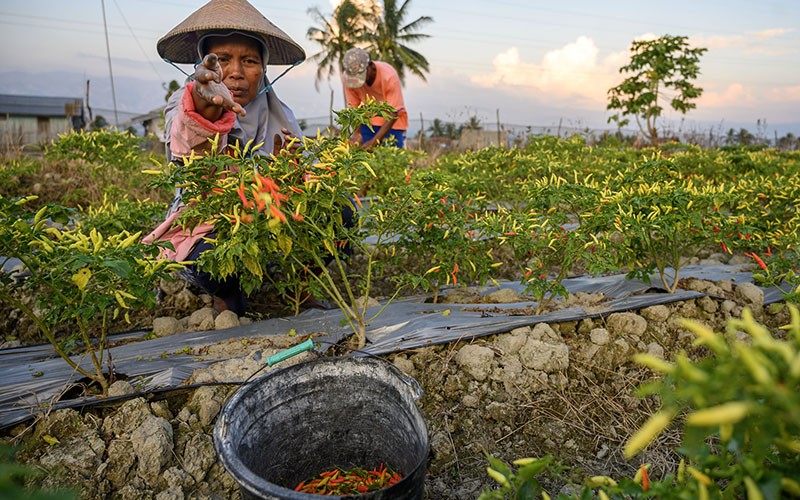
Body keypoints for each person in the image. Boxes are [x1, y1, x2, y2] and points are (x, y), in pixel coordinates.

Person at [143, 0, 306, 316]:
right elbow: (190, 156)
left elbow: (296, 184)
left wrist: (289, 166)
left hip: (266, 216)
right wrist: (206, 110)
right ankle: (226, 294)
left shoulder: (278, 114)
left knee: (339, 213)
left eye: (249, 60)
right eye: (221, 61)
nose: (235, 73)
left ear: (264, 67)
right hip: (214, 219)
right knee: (212, 259)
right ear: (204, 66)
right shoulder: (186, 103)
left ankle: (303, 287)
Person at [342, 47, 408, 149]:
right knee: (363, 158)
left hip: (392, 125)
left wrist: (374, 142)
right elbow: (354, 109)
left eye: (360, 75)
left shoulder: (389, 76)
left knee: (393, 159)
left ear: (370, 66)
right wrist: (357, 133)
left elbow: (393, 113)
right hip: (368, 123)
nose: (357, 80)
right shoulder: (348, 79)